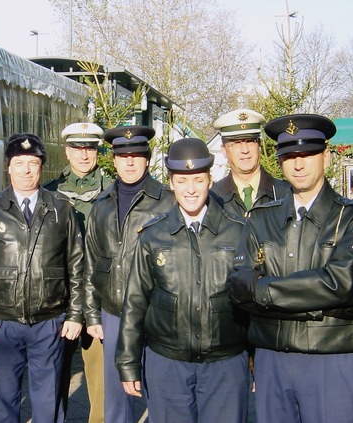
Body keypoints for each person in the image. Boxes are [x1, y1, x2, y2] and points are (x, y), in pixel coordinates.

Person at [227, 114, 353, 423]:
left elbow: (340, 284)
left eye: (307, 154)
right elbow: (238, 284)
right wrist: (312, 302)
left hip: (330, 357)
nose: (298, 164)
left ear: (325, 155)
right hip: (272, 357)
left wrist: (264, 290)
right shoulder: (260, 218)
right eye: (289, 156)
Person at [116, 138, 250, 422]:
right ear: (171, 183)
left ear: (209, 181)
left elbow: (253, 301)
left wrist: (257, 360)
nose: (191, 189)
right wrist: (127, 362)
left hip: (224, 363)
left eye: (198, 180)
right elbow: (135, 302)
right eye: (182, 180)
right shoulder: (152, 235)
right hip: (168, 363)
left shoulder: (238, 233)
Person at [0, 133, 84, 423]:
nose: (26, 169)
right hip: (3, 323)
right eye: (19, 162)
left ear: (42, 167)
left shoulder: (61, 208)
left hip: (49, 322)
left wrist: (75, 314)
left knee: (48, 401)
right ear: (8, 167)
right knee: (1, 400)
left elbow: (77, 264)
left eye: (33, 162)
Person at [83, 125, 175, 422]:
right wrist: (92, 315)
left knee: (160, 392)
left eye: (136, 155)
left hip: (155, 311)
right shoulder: (102, 204)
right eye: (123, 156)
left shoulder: (168, 201)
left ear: (148, 159)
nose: (130, 162)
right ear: (114, 159)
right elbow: (91, 261)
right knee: (115, 397)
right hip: (113, 311)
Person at [44, 122, 112, 423]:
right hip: (59, 297)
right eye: (77, 148)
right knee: (53, 377)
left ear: (97, 151)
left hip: (100, 296)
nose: (84, 155)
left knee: (101, 381)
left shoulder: (113, 191)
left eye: (90, 148)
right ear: (67, 151)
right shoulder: (48, 194)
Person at [211, 108, 290, 218]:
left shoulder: (285, 193)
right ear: (224, 150)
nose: (245, 150)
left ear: (259, 146)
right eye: (236, 143)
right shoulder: (213, 198)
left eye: (250, 141)